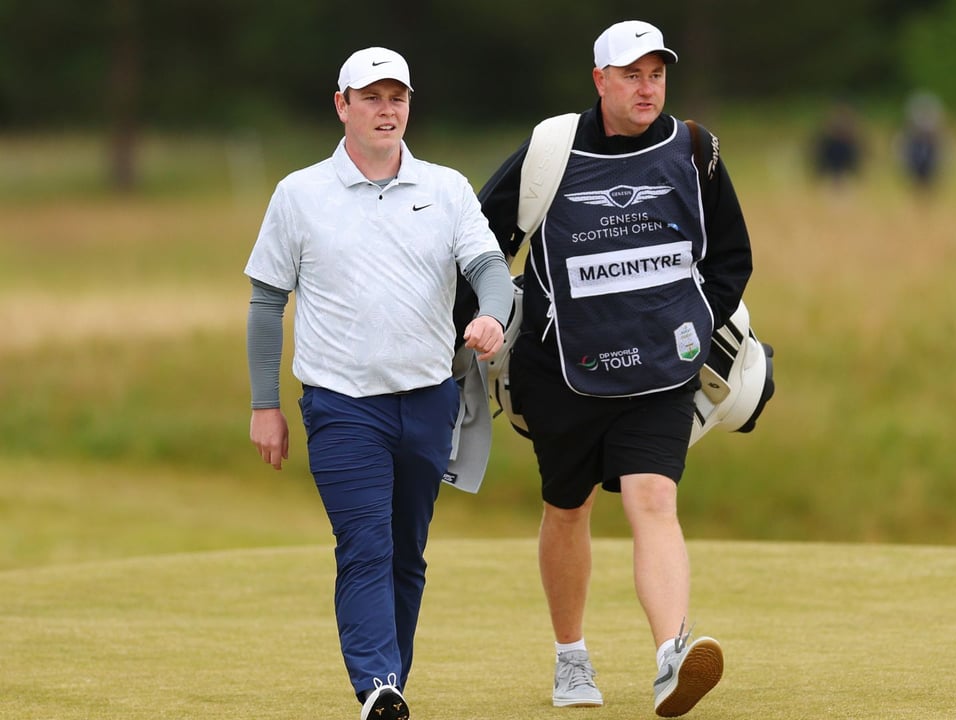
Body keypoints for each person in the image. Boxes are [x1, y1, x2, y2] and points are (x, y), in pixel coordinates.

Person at [477, 19, 752, 718]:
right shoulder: (551, 150)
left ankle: (671, 656)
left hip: (661, 371)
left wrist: (693, 321)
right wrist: (478, 317)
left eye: (656, 73)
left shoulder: (696, 149)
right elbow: (482, 242)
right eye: (630, 75)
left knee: (654, 498)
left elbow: (728, 259)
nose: (646, 87)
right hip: (559, 370)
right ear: (600, 81)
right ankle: (572, 657)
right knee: (567, 510)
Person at [243, 47, 512, 720]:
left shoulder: (445, 188)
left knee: (406, 553)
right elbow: (266, 302)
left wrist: (489, 314)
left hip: (428, 399)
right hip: (341, 405)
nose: (386, 109)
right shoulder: (299, 195)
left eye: (397, 97)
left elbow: (491, 271)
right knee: (365, 544)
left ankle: (389, 689)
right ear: (342, 106)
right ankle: (378, 684)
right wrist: (264, 405)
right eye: (371, 97)